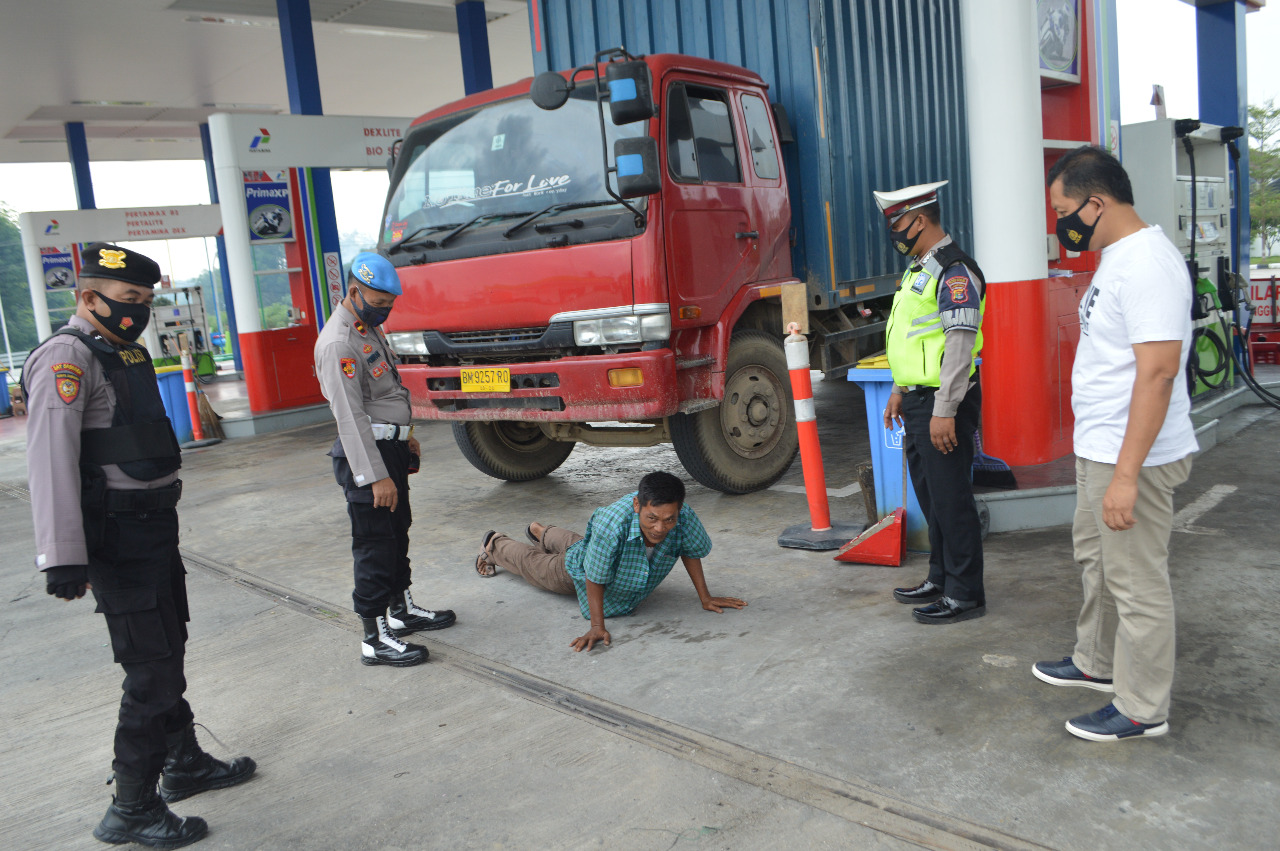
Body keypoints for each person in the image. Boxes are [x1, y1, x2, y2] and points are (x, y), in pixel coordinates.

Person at [23, 243, 255, 849]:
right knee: (150, 670)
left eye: (146, 302)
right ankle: (131, 807)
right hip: (117, 537)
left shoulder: (122, 351)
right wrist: (64, 555)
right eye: (128, 300)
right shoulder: (66, 359)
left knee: (168, 646)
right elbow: (48, 461)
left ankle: (183, 762)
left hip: (154, 529)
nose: (138, 312)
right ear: (87, 297)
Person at [1034, 145, 1198, 742]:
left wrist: (1127, 476)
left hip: (1135, 456)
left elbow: (1157, 374)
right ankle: (1096, 664)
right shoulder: (1117, 257)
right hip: (1101, 446)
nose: (1060, 223)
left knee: (1136, 582)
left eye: (1063, 209)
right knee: (1098, 563)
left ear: (1096, 203)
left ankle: (1142, 707)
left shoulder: (1147, 264)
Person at [315, 251, 455, 668]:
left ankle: (402, 610)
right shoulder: (339, 341)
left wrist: (405, 437)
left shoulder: (364, 329)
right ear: (354, 292)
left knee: (397, 534)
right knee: (375, 545)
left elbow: (388, 392)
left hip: (389, 448)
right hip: (367, 457)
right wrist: (375, 476)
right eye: (378, 303)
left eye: (389, 304)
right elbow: (350, 416)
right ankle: (374, 639)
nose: (385, 311)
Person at [873, 181, 988, 624]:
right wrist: (899, 390)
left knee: (953, 498)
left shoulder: (955, 271)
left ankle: (966, 593)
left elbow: (960, 344)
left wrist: (944, 410)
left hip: (945, 403)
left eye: (898, 223)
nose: (894, 233)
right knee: (933, 497)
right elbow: (912, 337)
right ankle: (941, 576)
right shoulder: (921, 268)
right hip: (920, 400)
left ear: (920, 220)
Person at [474, 471, 745, 651]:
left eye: (669, 519)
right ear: (638, 505)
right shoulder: (611, 524)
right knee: (537, 568)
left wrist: (705, 598)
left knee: (585, 544)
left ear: (679, 510)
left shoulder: (683, 516)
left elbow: (690, 550)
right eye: (652, 518)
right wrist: (596, 626)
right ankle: (496, 544)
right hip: (576, 571)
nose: (660, 528)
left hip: (593, 548)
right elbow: (594, 574)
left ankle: (542, 532)